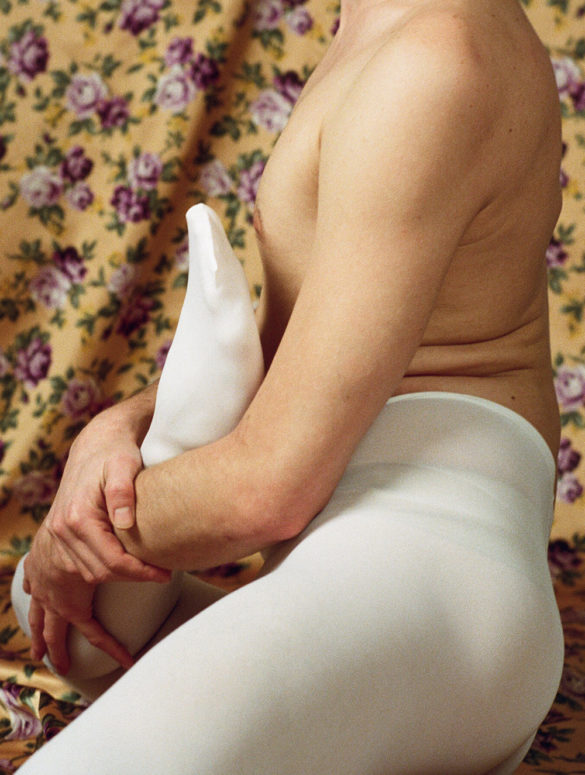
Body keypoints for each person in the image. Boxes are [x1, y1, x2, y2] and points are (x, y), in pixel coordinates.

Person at [12, 0, 564, 772]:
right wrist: (121, 427)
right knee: (58, 617)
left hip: (429, 567)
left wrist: (77, 539)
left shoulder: (434, 58)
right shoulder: (382, 24)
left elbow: (264, 493)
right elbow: (326, 341)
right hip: (341, 549)